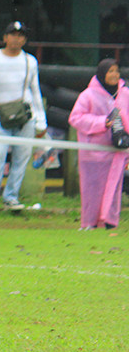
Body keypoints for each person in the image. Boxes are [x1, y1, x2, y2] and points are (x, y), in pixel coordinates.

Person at [0, 21, 47, 211]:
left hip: (25, 115)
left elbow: (35, 91)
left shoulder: (30, 61)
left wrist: (40, 119)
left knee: (22, 156)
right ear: (5, 38)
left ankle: (11, 197)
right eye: (12, 34)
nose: (16, 38)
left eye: (21, 35)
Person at [68, 59, 129, 230]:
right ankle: (90, 222)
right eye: (110, 71)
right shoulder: (88, 95)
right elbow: (75, 118)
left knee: (114, 189)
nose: (114, 75)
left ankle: (110, 221)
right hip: (94, 154)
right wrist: (103, 122)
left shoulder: (125, 94)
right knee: (92, 189)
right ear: (102, 74)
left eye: (117, 71)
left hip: (117, 152)